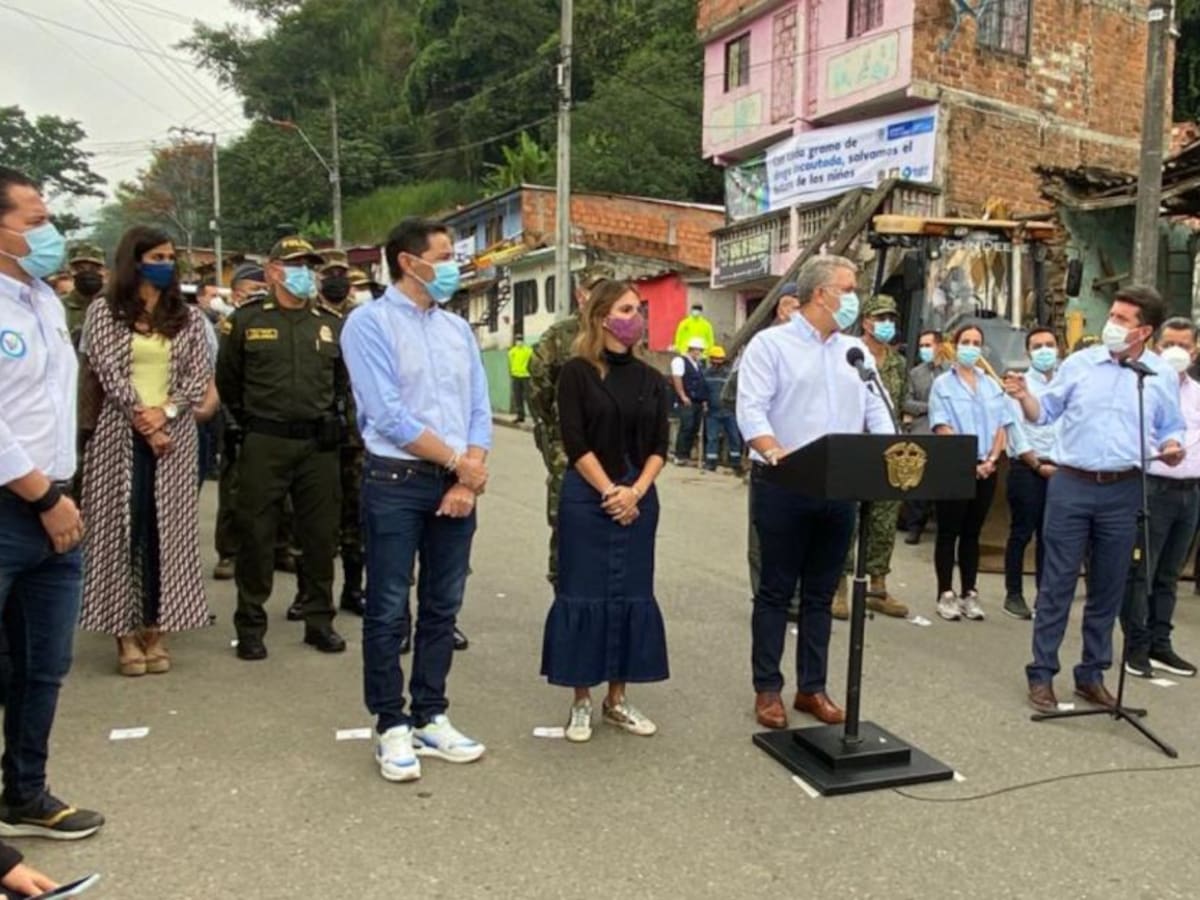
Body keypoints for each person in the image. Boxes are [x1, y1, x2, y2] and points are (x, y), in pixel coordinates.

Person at [340, 218, 492, 783]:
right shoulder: (369, 324)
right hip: (396, 481)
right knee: (385, 608)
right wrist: (460, 464)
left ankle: (431, 713)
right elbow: (386, 415)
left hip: (455, 483)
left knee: (442, 605)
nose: (455, 264)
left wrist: (466, 476)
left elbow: (479, 406)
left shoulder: (457, 330)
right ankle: (390, 722)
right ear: (409, 261)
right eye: (446, 254)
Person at [1005, 286, 1185, 712]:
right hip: (1071, 483)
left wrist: (1173, 445)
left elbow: (1170, 426)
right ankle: (1042, 673)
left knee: (1108, 586)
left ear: (1144, 331)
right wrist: (1024, 397)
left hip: (1124, 488)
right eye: (1113, 315)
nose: (1112, 325)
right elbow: (1043, 413)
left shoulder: (1157, 376)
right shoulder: (1081, 364)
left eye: (1123, 320)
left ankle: (1092, 673)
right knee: (1058, 583)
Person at [737, 256, 894, 730]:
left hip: (841, 487)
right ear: (821, 294)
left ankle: (812, 688)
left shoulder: (855, 353)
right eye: (848, 289)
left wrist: (891, 450)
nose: (855, 298)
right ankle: (768, 688)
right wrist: (774, 451)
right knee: (776, 592)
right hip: (785, 482)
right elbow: (752, 411)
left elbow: (877, 410)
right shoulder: (771, 345)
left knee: (822, 595)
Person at [0, 166, 104, 838]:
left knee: (44, 664)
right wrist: (41, 494)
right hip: (16, 504)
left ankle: (25, 792)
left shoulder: (41, 298)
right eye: (34, 220)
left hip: (55, 505)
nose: (50, 231)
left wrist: (62, 492)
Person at [79, 226, 212, 676]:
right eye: (156, 255)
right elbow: (108, 372)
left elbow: (198, 375)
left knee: (168, 533)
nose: (166, 262)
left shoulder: (188, 316)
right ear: (134, 260)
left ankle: (158, 627)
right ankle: (124, 635)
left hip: (174, 435)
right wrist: (143, 417)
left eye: (170, 256)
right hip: (118, 434)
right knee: (121, 529)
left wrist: (167, 413)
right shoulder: (105, 311)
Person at [541, 279, 670, 741]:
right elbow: (574, 442)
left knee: (630, 595)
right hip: (588, 496)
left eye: (638, 309)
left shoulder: (652, 378)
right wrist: (610, 492)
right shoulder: (577, 372)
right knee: (582, 593)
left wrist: (634, 491)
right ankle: (581, 700)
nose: (635, 318)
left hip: (638, 496)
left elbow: (660, 445)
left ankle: (617, 699)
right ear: (601, 317)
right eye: (626, 308)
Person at [215, 236, 348, 660]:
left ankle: (318, 621)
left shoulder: (329, 323)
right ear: (273, 271)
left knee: (320, 536)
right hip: (265, 441)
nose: (305, 273)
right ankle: (251, 624)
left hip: (317, 445)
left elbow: (341, 384)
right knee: (256, 534)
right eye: (295, 265)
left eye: (310, 266)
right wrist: (248, 423)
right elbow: (228, 381)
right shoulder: (246, 321)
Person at [1120, 317, 1200, 678]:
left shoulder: (1197, 394)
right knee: (1142, 573)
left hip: (1189, 492)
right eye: (1169, 344)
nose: (1176, 352)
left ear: (1195, 350)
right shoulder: (1144, 387)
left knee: (1170, 574)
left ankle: (1160, 643)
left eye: (1183, 345)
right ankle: (1135, 646)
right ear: (1156, 346)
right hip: (1153, 486)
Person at [528, 266, 614, 588]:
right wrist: (555, 436)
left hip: (611, 447)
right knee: (567, 521)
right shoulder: (560, 336)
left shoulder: (620, 337)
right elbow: (539, 389)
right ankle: (564, 592)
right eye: (595, 290)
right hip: (568, 448)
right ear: (581, 295)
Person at [928, 324, 1012, 622]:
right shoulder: (942, 385)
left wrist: (991, 459)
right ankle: (945, 592)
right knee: (948, 531)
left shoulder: (991, 385)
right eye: (966, 341)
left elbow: (1003, 425)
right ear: (955, 345)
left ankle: (969, 591)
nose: (971, 347)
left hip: (987, 467)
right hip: (954, 467)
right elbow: (941, 426)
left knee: (972, 533)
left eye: (976, 342)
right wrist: (968, 463)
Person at [833, 294, 908, 620]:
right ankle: (839, 589)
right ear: (865, 321)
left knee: (884, 519)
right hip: (853, 447)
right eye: (880, 318)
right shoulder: (847, 354)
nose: (886, 325)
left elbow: (898, 403)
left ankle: (878, 588)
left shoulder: (897, 363)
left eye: (891, 319)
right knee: (846, 519)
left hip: (886, 450)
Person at [212, 262, 270, 581]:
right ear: (235, 295)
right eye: (252, 290)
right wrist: (232, 417)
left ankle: (279, 549)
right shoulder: (228, 326)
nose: (260, 295)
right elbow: (222, 378)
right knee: (234, 489)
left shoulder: (275, 322)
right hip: (235, 415)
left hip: (268, 418)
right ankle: (229, 553)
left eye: (264, 289)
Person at [317, 249, 366, 617]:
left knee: (356, 517)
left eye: (342, 273)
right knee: (313, 520)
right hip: (314, 435)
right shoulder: (304, 317)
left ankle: (353, 588)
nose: (337, 279)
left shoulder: (364, 318)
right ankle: (312, 596)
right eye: (330, 273)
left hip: (358, 436)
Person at [1002, 327, 1061, 620]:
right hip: (1027, 468)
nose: (1045, 350)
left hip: (1060, 470)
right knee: (1022, 533)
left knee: (1050, 536)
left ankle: (1045, 596)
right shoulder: (1019, 384)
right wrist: (1037, 465)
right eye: (1037, 346)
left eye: (1049, 344)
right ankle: (1013, 593)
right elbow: (1015, 432)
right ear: (1028, 353)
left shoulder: (1066, 383)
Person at [900, 329, 948, 544]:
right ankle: (914, 526)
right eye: (921, 346)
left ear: (939, 346)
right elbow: (907, 402)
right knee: (917, 481)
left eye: (927, 345)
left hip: (948, 430)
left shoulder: (951, 371)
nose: (924, 350)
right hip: (922, 429)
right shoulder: (915, 373)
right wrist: (931, 406)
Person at [670, 337, 709, 465]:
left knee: (694, 428)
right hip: (687, 400)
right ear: (692, 349)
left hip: (697, 401)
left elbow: (701, 383)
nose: (699, 353)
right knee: (686, 426)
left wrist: (703, 400)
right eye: (698, 350)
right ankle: (679, 455)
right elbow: (677, 379)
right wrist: (682, 396)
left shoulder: (697, 364)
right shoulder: (680, 361)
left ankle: (686, 455)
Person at [702, 345, 741, 472]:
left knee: (734, 437)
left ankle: (735, 462)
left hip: (729, 411)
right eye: (715, 359)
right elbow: (702, 391)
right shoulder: (705, 374)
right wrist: (704, 402)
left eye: (720, 359)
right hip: (712, 412)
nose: (717, 362)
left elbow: (736, 391)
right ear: (711, 359)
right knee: (712, 438)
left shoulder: (729, 374)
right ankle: (710, 462)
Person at [59, 243, 106, 347]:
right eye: (80, 269)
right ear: (71, 271)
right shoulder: (58, 307)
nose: (87, 273)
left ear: (103, 271)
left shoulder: (115, 306)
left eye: (94, 268)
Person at [508, 337, 533, 424]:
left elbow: (532, 361)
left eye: (520, 340)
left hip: (526, 376)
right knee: (517, 397)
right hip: (515, 376)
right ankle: (520, 416)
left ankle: (535, 417)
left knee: (529, 397)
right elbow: (510, 364)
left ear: (523, 341)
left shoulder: (528, 351)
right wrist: (511, 373)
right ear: (515, 341)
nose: (519, 342)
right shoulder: (512, 352)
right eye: (518, 340)